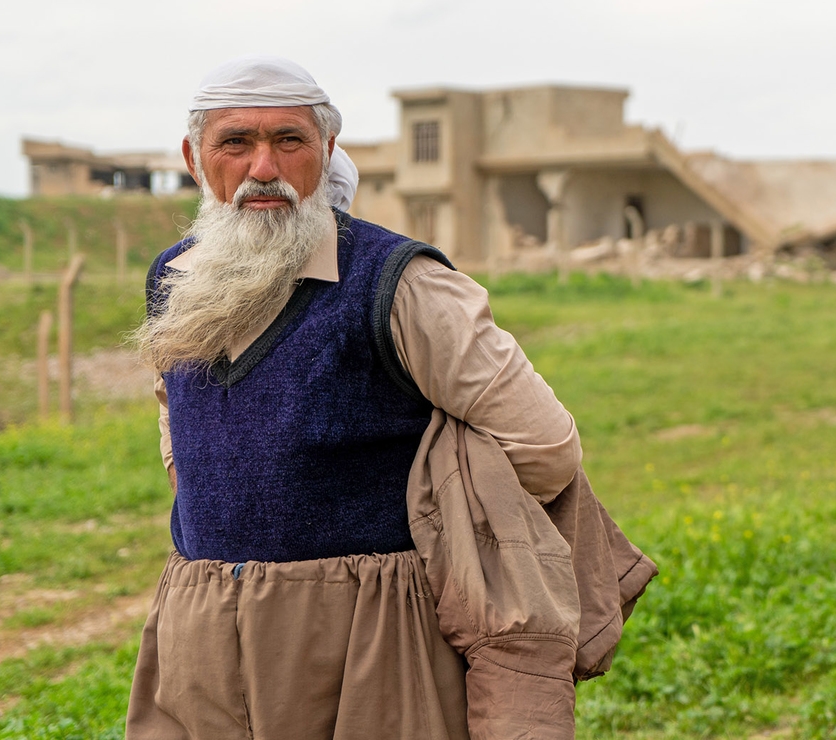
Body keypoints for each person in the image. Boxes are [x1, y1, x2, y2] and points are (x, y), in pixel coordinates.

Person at [126, 56, 586, 739]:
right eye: (236, 143)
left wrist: (440, 517)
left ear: (327, 150)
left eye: (289, 141)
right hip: (201, 629)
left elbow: (545, 448)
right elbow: (175, 404)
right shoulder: (175, 274)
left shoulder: (399, 283)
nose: (262, 168)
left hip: (366, 642)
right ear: (195, 157)